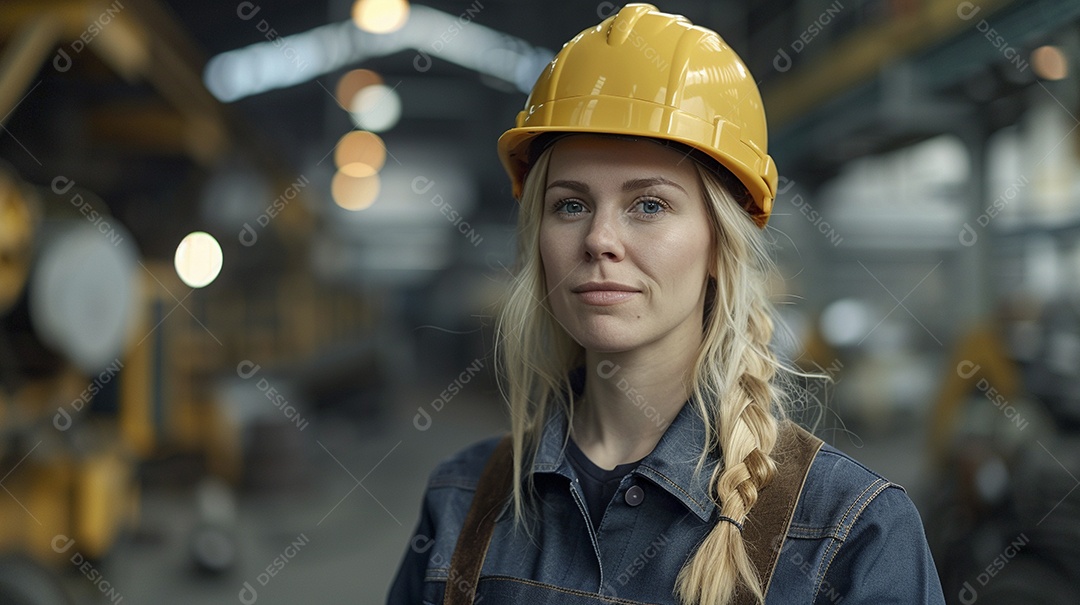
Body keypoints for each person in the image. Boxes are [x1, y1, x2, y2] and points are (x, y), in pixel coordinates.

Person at [388, 4, 946, 604]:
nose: (600, 239)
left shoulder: (853, 535)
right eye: (570, 205)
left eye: (649, 205)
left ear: (718, 244)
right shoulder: (461, 504)